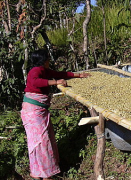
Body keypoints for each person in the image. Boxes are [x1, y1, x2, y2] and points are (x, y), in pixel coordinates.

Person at [21, 49, 91, 180]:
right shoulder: (35, 71)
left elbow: (60, 73)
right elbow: (36, 81)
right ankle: (42, 174)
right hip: (33, 111)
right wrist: (56, 82)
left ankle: (41, 172)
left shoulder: (44, 71)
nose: (49, 61)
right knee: (40, 141)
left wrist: (78, 75)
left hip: (39, 110)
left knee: (44, 140)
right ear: (43, 60)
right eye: (47, 58)